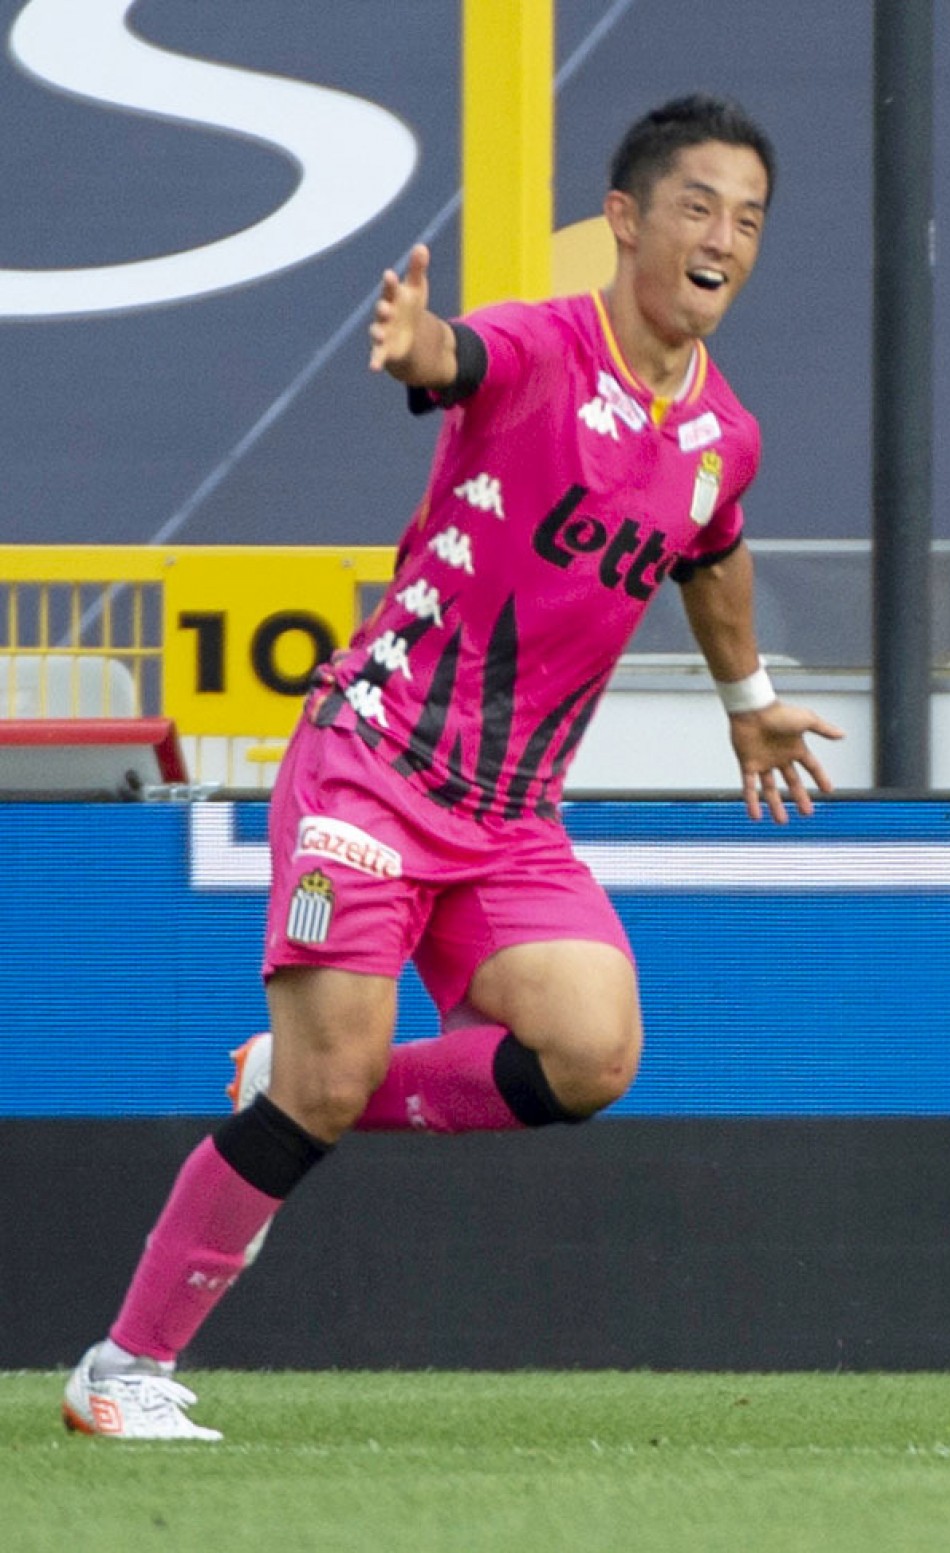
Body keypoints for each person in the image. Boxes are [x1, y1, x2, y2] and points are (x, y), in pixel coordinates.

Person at [63, 93, 842, 1439]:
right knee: (330, 1076)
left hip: (509, 816)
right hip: (374, 764)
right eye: (699, 206)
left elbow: (711, 549)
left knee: (593, 1049)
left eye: (750, 219)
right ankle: (120, 1366)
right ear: (625, 218)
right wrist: (420, 344)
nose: (726, 238)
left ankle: (304, 1082)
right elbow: (455, 359)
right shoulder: (544, 345)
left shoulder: (727, 434)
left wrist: (751, 698)